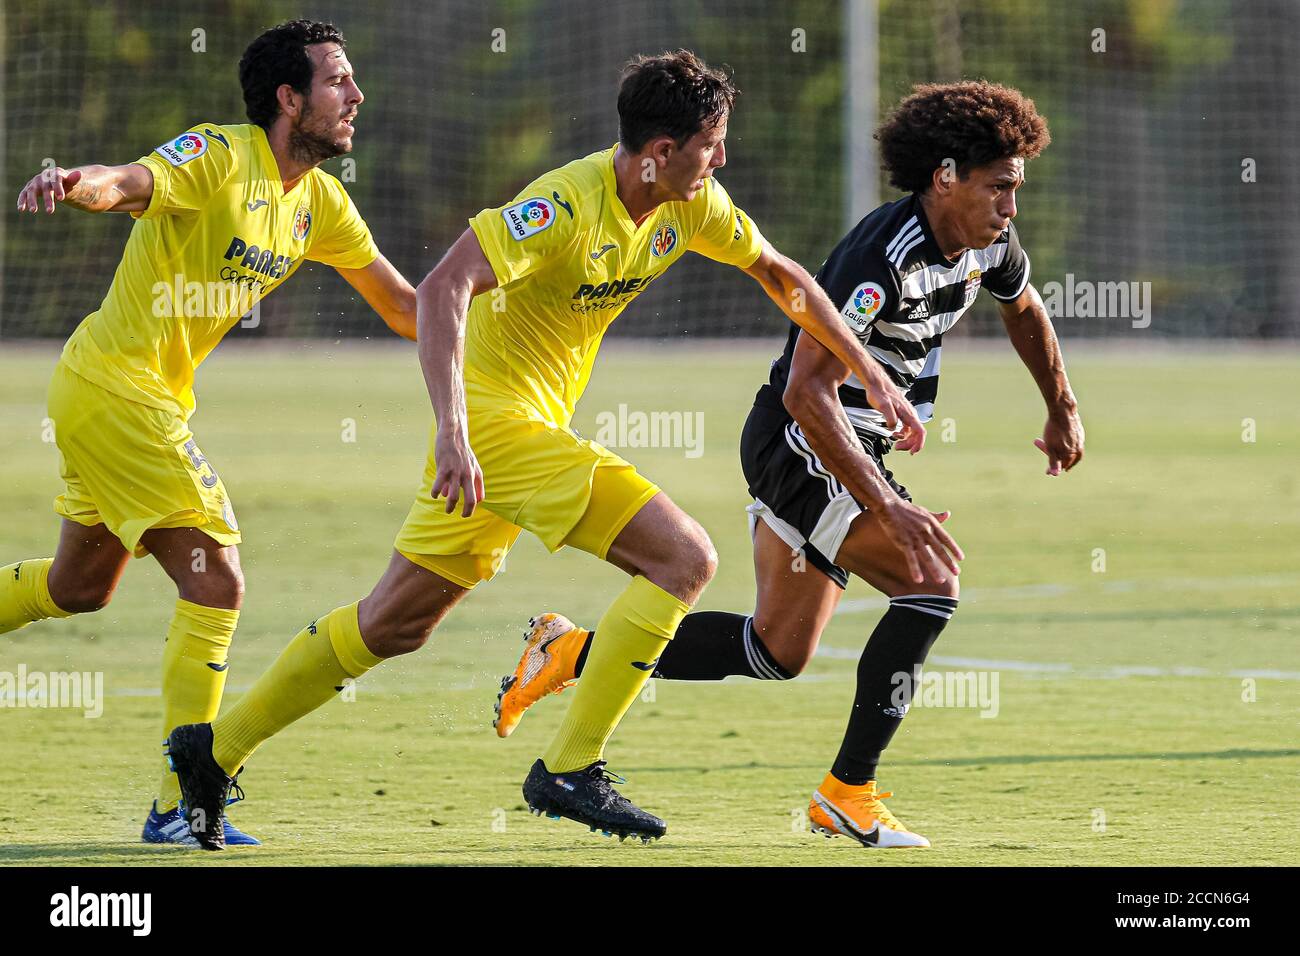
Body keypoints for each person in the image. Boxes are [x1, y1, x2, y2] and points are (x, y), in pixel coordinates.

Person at [165, 50, 926, 849]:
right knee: (684, 560)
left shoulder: (691, 203)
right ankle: (570, 767)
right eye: (713, 142)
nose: (723, 157)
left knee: (394, 624)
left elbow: (784, 278)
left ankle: (212, 752)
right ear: (661, 151)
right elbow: (444, 287)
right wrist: (454, 429)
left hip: (512, 438)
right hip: (492, 429)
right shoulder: (566, 203)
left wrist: (869, 371)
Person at [496, 80, 1085, 849]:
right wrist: (888, 506)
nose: (1011, 206)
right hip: (804, 439)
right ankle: (849, 793)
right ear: (945, 176)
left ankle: (568, 651)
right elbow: (809, 392)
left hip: (842, 444)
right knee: (931, 583)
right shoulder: (883, 258)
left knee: (776, 650)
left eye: (1016, 189)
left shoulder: (989, 245)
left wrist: (1061, 404)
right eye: (999, 187)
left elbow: (1025, 307)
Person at [2, 19, 419, 847]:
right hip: (117, 393)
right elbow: (128, 183)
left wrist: (512, 292)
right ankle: (178, 803)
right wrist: (75, 179)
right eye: (338, 81)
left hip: (118, 398)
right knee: (217, 577)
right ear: (288, 98)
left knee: (80, 586)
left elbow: (408, 310)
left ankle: (174, 802)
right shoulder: (223, 156)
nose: (356, 96)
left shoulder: (322, 203)